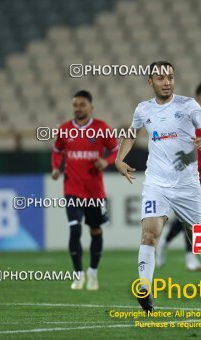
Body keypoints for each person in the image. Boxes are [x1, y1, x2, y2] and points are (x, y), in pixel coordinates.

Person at [115, 61, 201, 312]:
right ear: (149, 82)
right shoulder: (143, 109)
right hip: (156, 184)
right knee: (149, 233)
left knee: (199, 239)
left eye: (170, 77)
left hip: (187, 185)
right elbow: (131, 134)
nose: (167, 82)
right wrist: (119, 159)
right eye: (161, 78)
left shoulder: (188, 105)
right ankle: (144, 288)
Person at [157, 81, 201, 271]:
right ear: (200, 95)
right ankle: (187, 256)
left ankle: (168, 244)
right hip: (181, 172)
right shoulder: (186, 113)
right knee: (190, 217)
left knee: (190, 217)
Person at [51, 90, 118, 290]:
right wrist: (56, 168)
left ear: (91, 107)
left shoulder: (101, 128)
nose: (78, 108)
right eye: (75, 105)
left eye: (82, 104)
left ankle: (93, 273)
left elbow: (115, 150)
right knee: (74, 229)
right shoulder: (64, 130)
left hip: (94, 192)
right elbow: (57, 151)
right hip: (71, 189)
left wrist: (105, 162)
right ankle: (78, 274)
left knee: (95, 230)